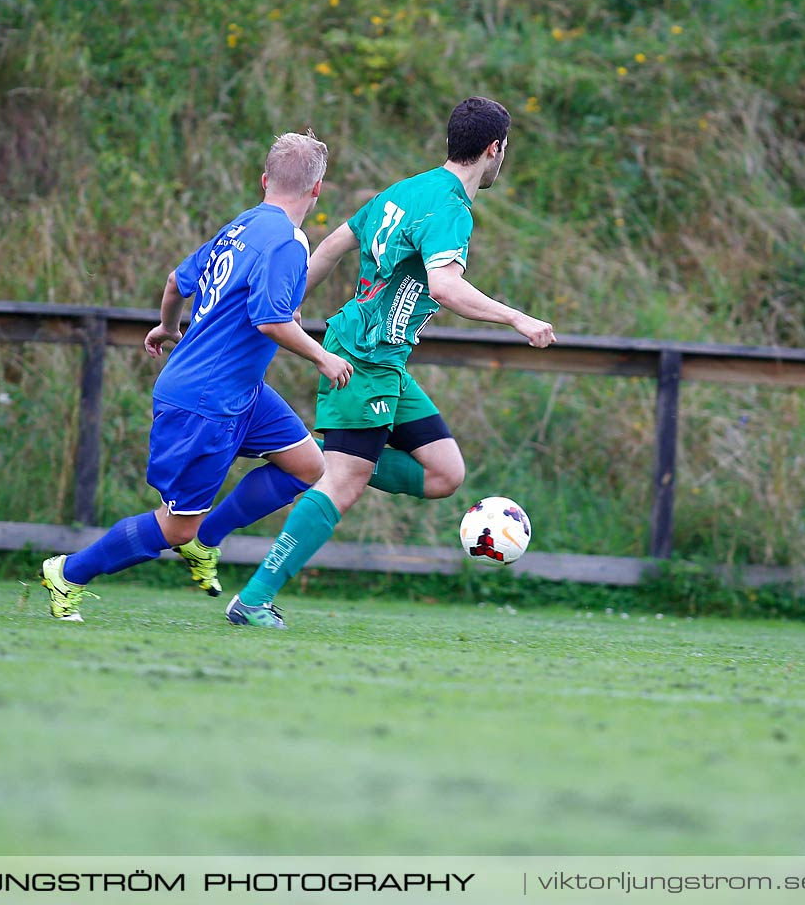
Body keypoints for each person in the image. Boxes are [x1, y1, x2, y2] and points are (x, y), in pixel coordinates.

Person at [218, 96, 555, 629]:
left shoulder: (405, 191)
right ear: (495, 149)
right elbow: (444, 287)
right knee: (345, 483)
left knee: (445, 474)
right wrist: (516, 318)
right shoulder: (449, 209)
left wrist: (288, 297)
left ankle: (330, 454)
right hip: (364, 358)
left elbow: (330, 248)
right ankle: (254, 598)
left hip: (385, 360)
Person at [38, 132, 352, 620]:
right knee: (175, 525)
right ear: (317, 191)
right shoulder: (288, 243)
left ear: (265, 180)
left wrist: (168, 325)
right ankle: (69, 572)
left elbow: (174, 281)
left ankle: (206, 538)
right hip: (206, 399)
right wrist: (322, 358)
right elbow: (270, 319)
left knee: (309, 466)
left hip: (240, 391)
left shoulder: (239, 227)